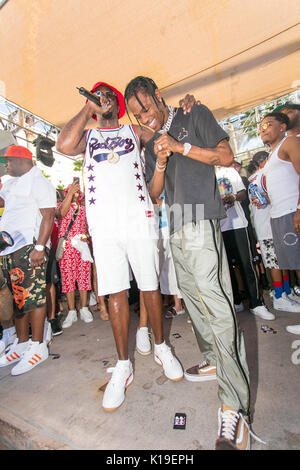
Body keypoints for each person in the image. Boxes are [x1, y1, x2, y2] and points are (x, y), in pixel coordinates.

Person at [124, 76, 256, 450]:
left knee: (215, 307)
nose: (144, 118)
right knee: (195, 305)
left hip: (200, 217)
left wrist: (180, 146)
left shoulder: (192, 113)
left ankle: (235, 405)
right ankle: (214, 359)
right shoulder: (152, 146)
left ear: (159, 98)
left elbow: (226, 157)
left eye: (146, 108)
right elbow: (154, 191)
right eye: (137, 115)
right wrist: (162, 160)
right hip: (177, 224)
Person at [56, 81, 184, 412]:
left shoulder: (134, 132)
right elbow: (62, 144)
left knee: (150, 285)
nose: (104, 100)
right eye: (99, 96)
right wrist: (87, 110)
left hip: (138, 218)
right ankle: (123, 365)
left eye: (109, 96)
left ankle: (161, 347)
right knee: (114, 292)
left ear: (118, 104)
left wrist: (181, 112)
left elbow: (163, 135)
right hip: (105, 225)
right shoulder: (87, 139)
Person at [0, 145, 56, 375]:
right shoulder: (13, 183)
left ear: (20, 160)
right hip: (9, 250)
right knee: (19, 299)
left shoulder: (39, 182)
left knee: (34, 298)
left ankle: (37, 345)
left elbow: (49, 215)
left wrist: (40, 248)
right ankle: (22, 343)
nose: (6, 165)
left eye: (8, 162)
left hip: (29, 248)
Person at [258, 112, 300, 335]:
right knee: (296, 265)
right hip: (279, 215)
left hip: (293, 212)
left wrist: (299, 210)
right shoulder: (273, 154)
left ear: (283, 126)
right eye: (261, 126)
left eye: (268, 124)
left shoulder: (290, 142)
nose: (263, 128)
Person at [215, 164, 275, 320]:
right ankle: (236, 302)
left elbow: (242, 193)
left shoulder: (228, 171)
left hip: (237, 225)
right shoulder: (205, 174)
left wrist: (233, 197)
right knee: (226, 268)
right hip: (218, 229)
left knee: (246, 264)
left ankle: (256, 303)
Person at [249, 151, 300, 312]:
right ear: (261, 162)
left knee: (282, 260)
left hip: (274, 223)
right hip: (266, 225)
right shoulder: (260, 177)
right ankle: (279, 296)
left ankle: (286, 291)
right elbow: (265, 200)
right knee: (274, 263)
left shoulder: (262, 175)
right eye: (268, 159)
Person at [56, 181, 93, 327]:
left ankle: (84, 309)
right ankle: (71, 311)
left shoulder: (85, 209)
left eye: (78, 191)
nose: (76, 193)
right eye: (72, 191)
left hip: (82, 247)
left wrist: (87, 235)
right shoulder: (60, 206)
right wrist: (70, 193)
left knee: (84, 277)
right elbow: (61, 214)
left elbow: (90, 227)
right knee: (68, 279)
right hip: (67, 248)